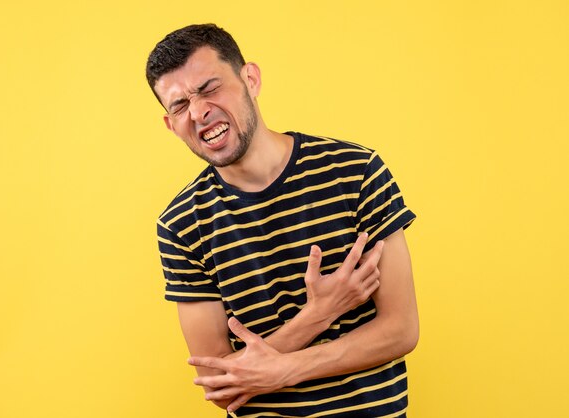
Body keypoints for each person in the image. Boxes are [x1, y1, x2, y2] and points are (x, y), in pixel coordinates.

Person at [146, 23, 419, 418]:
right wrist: (318, 315)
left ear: (250, 79)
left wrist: (282, 369)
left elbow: (401, 329)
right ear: (171, 125)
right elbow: (220, 386)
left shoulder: (355, 172)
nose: (199, 111)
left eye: (209, 88)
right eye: (180, 105)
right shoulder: (180, 225)